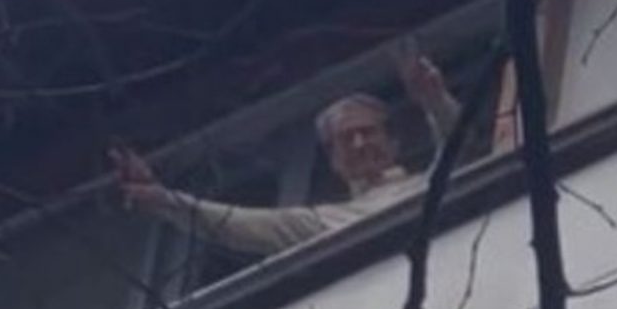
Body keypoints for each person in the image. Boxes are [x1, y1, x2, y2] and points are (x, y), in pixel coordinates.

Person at [109, 49, 460, 257]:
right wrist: (165, 200)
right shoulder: (325, 221)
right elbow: (238, 225)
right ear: (334, 162)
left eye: (367, 132)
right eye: (345, 140)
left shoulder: (433, 182)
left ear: (394, 142)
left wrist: (435, 99)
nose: (359, 144)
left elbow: (456, 142)